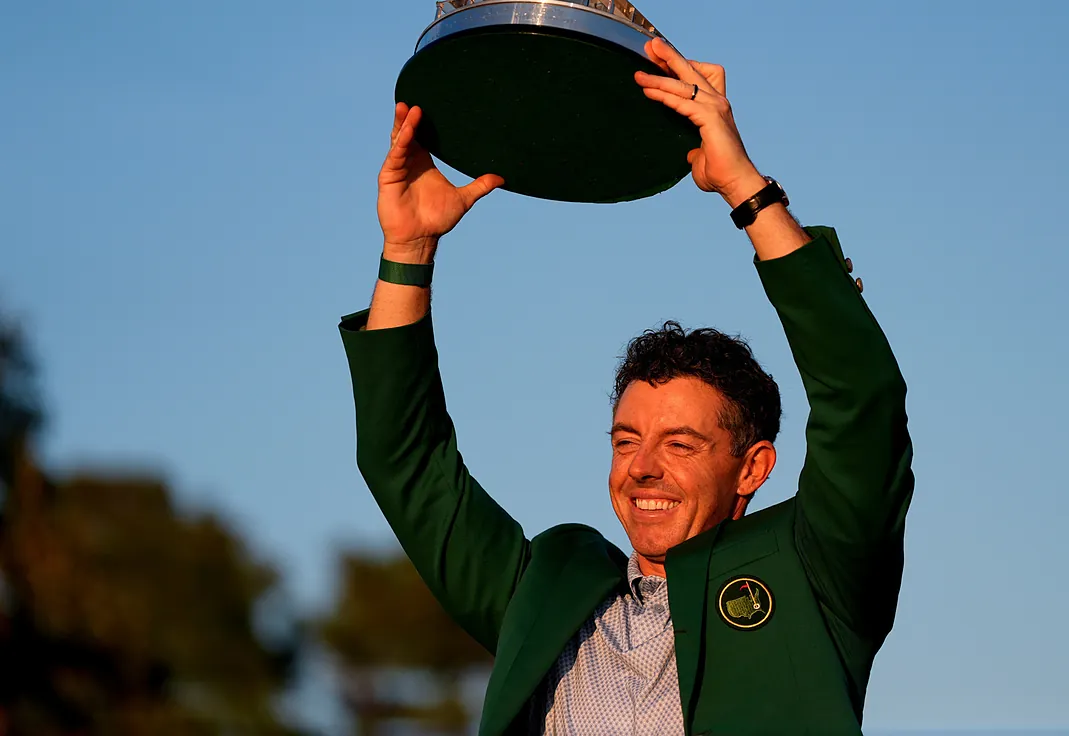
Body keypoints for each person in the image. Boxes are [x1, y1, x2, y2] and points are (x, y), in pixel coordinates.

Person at [339, 37, 914, 735]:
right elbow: (407, 464)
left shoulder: (817, 570)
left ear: (752, 467)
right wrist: (408, 251)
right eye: (626, 439)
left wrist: (745, 189)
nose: (642, 467)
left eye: (680, 443)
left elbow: (862, 398)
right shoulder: (547, 590)